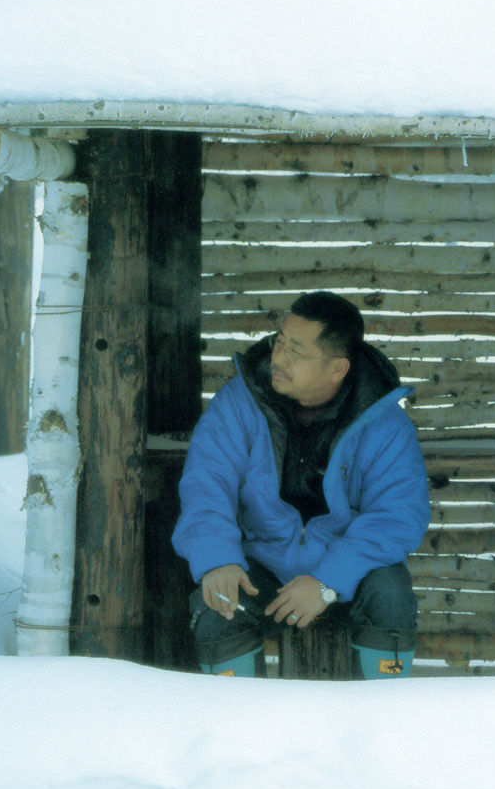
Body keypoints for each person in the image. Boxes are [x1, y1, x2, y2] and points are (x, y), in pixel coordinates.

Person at [173, 290, 430, 680]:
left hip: (348, 572)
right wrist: (218, 558)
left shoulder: (384, 422)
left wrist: (328, 581)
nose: (278, 358)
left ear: (337, 369)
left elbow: (397, 516)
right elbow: (206, 485)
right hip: (263, 566)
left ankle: (385, 722)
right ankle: (232, 728)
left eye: (296, 350)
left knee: (390, 593)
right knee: (217, 602)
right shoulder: (237, 405)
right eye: (279, 342)